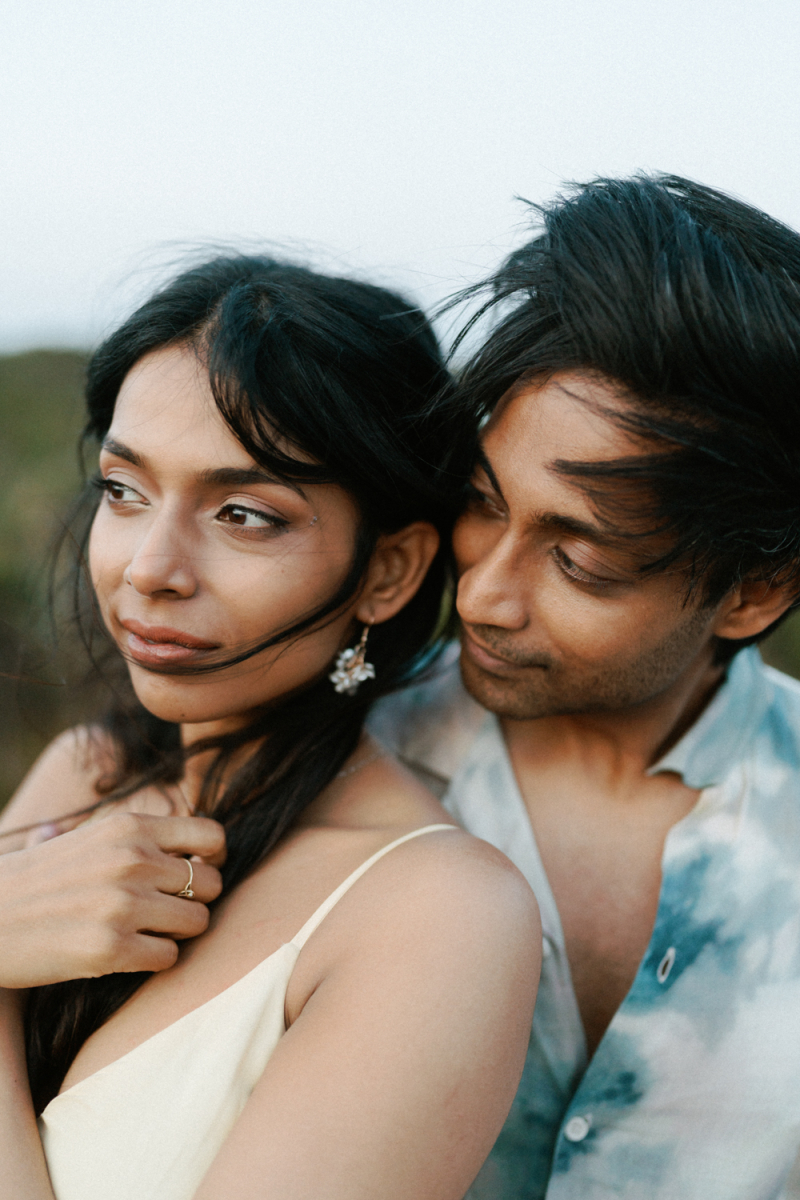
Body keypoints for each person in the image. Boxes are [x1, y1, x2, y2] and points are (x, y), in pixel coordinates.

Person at [0, 256, 540, 1200]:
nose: (150, 569)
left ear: (389, 571)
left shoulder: (438, 914)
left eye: (244, 514)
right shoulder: (85, 771)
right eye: (124, 490)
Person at [369, 175, 800, 1199]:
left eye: (580, 562)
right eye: (480, 503)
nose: (480, 595)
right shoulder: (333, 760)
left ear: (751, 591)